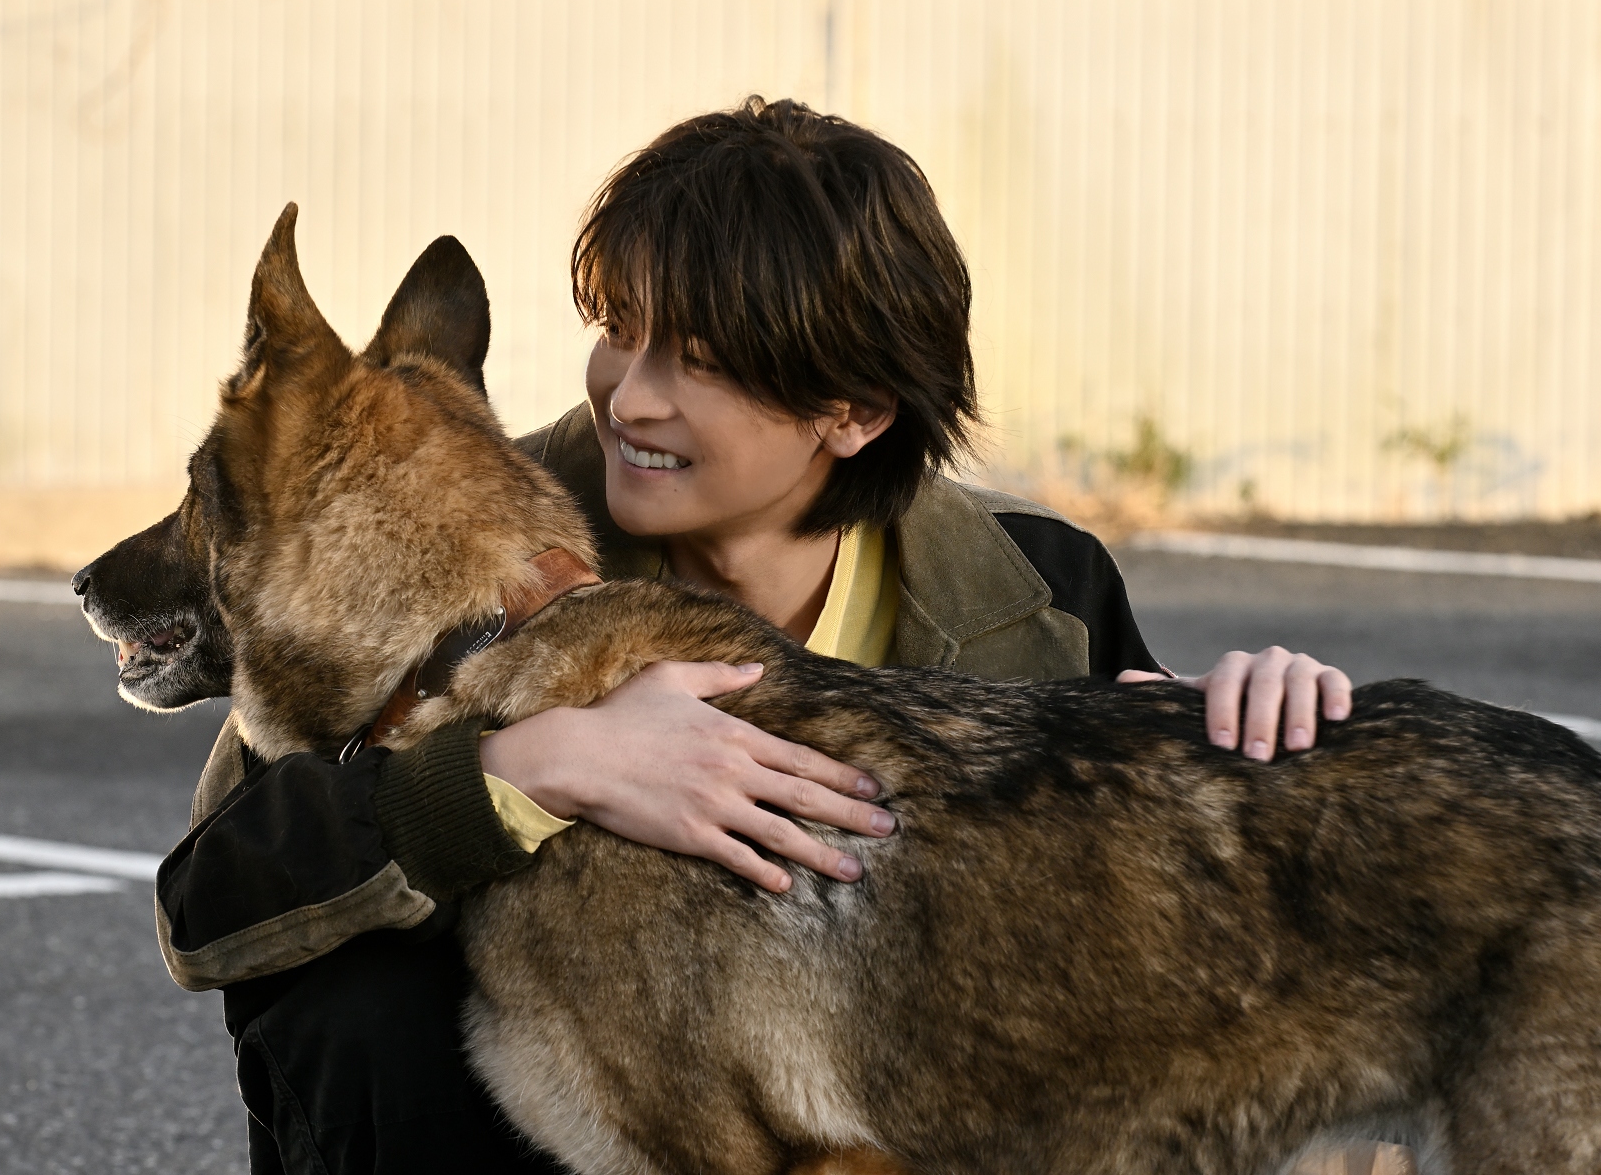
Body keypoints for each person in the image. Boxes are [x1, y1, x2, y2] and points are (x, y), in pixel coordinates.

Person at [155, 97, 1352, 1174]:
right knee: (363, 1005)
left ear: (856, 412)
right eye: (621, 326)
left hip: (853, 1104)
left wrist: (1261, 738)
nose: (629, 396)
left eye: (702, 364)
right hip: (541, 1111)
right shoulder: (466, 540)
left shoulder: (1034, 585)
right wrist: (521, 772)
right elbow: (217, 900)